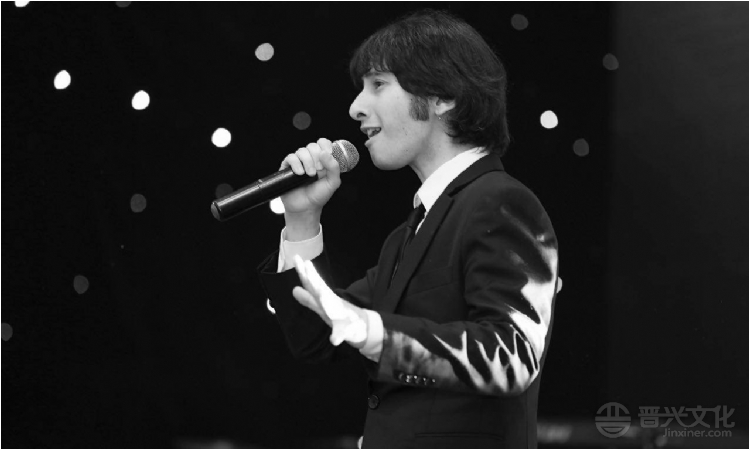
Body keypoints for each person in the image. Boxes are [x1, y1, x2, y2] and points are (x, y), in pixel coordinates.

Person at [257, 9, 560, 449]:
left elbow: (510, 355)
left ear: (443, 95)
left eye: (379, 84)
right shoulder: (408, 234)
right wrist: (302, 218)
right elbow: (315, 338)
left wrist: (374, 332)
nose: (356, 107)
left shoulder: (499, 202)